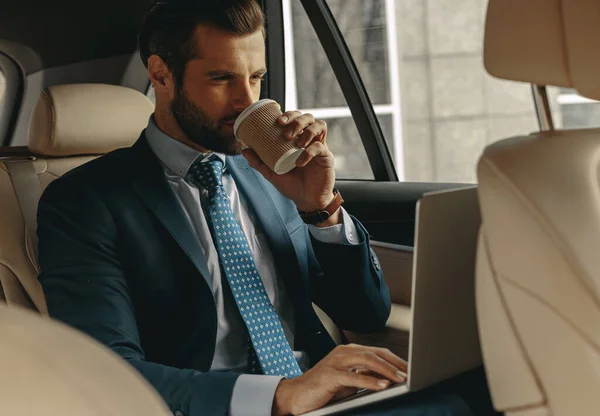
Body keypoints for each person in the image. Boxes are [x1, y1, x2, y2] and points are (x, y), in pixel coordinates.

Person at [36, 1, 488, 415]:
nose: (246, 101)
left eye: (255, 78)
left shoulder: (270, 175)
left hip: (320, 398)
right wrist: (279, 396)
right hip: (219, 406)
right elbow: (105, 368)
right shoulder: (85, 201)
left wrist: (320, 209)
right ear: (160, 75)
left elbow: (367, 314)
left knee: (483, 387)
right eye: (222, 78)